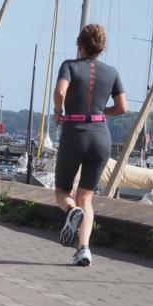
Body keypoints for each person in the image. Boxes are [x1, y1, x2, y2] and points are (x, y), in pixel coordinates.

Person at [52, 24, 128, 266]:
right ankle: (83, 249)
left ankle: (70, 211)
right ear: (101, 48)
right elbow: (122, 108)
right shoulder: (112, 72)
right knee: (87, 198)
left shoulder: (70, 66)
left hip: (75, 133)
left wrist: (57, 111)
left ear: (80, 44)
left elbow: (60, 91)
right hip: (101, 135)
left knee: (63, 191)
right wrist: (100, 110)